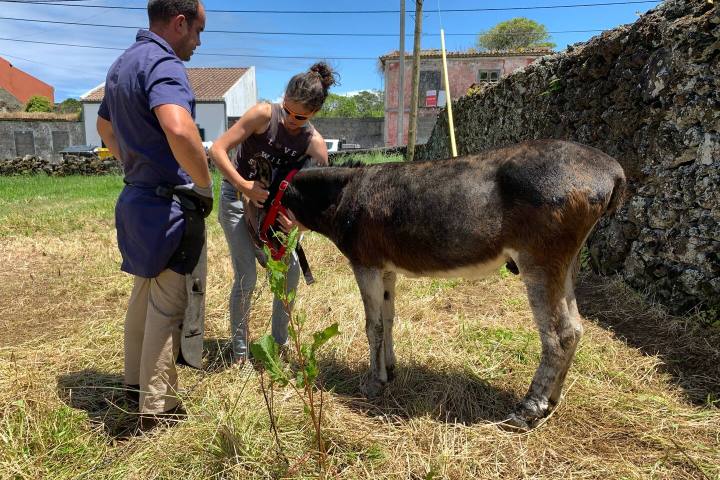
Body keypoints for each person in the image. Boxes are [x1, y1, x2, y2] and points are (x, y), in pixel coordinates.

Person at [96, 0, 212, 430]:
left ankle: (133, 385)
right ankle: (157, 408)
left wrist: (132, 163)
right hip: (168, 207)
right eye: (198, 31)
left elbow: (104, 129)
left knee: (144, 298)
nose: (198, 43)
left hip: (136, 200)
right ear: (179, 23)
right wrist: (203, 186)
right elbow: (179, 128)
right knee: (167, 307)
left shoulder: (122, 64)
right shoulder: (163, 64)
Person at [209, 62, 337, 365]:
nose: (292, 120)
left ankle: (278, 347)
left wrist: (300, 224)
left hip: (276, 212)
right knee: (247, 276)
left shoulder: (314, 145)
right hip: (237, 198)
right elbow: (217, 149)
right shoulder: (264, 114)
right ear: (283, 100)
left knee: (291, 271)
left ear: (315, 114)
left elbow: (322, 200)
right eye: (288, 111)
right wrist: (244, 185)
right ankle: (240, 355)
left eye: (301, 117)